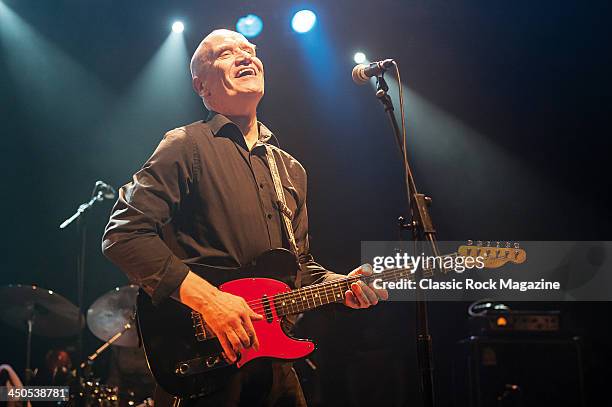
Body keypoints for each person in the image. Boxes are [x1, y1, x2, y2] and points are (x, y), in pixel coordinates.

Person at [102, 29, 387, 406]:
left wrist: (341, 285)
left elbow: (299, 265)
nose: (244, 56)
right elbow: (123, 234)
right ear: (201, 86)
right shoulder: (186, 145)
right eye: (226, 52)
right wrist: (209, 302)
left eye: (250, 50)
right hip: (203, 360)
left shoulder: (290, 170)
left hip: (271, 360)